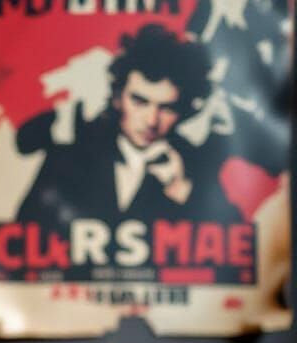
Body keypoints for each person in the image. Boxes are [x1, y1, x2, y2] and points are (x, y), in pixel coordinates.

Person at [15, 24, 241, 227]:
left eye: (167, 108)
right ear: (117, 98)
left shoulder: (195, 167)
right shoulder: (71, 153)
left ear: (184, 110)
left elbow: (239, 252)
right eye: (140, 101)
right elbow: (20, 240)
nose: (151, 121)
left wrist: (184, 192)